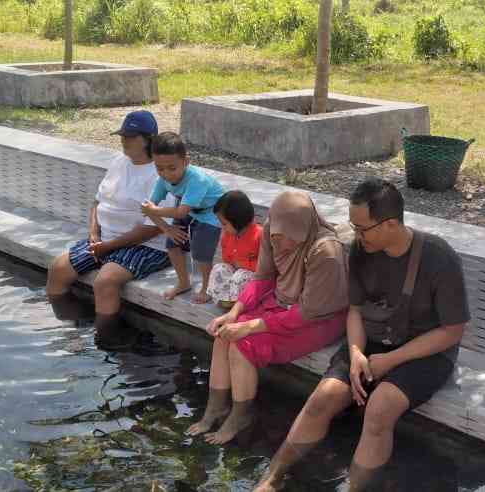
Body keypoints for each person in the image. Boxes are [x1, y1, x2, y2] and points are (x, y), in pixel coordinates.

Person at [255, 179, 470, 492]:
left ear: (391, 224)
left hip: (426, 351)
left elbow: (452, 332)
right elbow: (355, 310)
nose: (354, 234)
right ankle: (272, 478)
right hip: (370, 340)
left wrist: (390, 360)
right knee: (321, 400)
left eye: (361, 228)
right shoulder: (360, 249)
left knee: (379, 410)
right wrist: (356, 353)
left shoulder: (439, 257)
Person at [187, 191, 349, 445]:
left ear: (301, 228)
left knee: (243, 344)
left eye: (286, 237)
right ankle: (216, 407)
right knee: (224, 335)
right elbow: (263, 278)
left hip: (318, 318)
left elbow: (308, 312)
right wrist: (235, 312)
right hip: (280, 304)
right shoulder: (271, 232)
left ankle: (241, 415)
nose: (279, 243)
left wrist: (251, 326)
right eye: (275, 236)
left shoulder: (325, 251)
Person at [45, 110, 170, 349]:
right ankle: (76, 325)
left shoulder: (158, 172)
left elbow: (153, 229)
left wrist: (108, 246)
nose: (124, 140)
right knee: (58, 269)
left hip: (144, 245)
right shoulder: (118, 162)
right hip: (105, 240)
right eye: (122, 134)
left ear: (148, 139)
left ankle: (106, 340)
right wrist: (94, 235)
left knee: (105, 281)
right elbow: (97, 202)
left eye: (130, 136)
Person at [140, 132, 225, 304]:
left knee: (201, 253)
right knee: (172, 244)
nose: (166, 174)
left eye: (172, 168)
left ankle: (206, 287)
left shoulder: (197, 180)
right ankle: (184, 282)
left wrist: (154, 210)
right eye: (159, 168)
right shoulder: (162, 179)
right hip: (189, 209)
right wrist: (167, 229)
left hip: (212, 212)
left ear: (186, 161)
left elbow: (180, 213)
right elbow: (147, 209)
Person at [206, 190, 262, 310]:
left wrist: (244, 264)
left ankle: (240, 305)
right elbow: (226, 258)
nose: (223, 227)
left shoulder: (259, 236)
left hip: (254, 281)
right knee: (219, 268)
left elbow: (266, 266)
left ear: (238, 220)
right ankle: (224, 300)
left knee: (241, 276)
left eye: (225, 224)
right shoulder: (228, 234)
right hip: (235, 275)